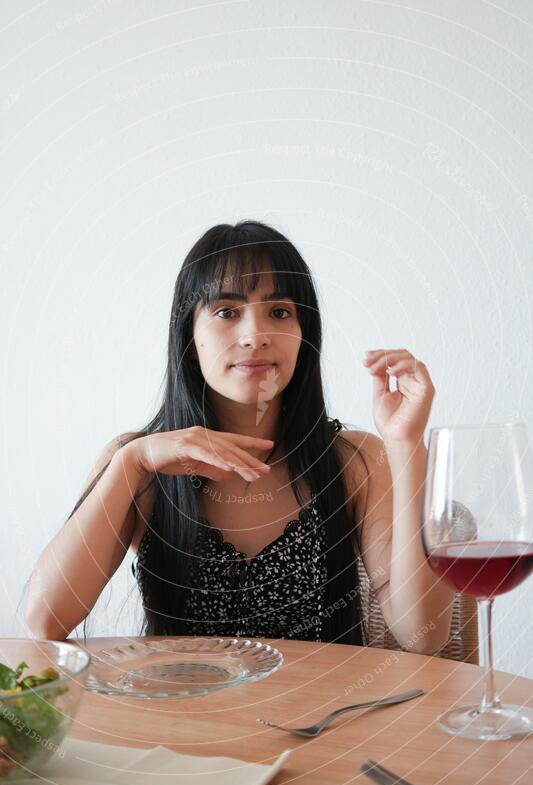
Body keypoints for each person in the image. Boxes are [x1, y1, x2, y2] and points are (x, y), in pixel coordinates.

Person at [25, 220, 454, 650]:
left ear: (304, 334)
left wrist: (404, 444)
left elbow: (425, 637)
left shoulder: (354, 459)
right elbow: (45, 622)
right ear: (189, 335)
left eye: (280, 312)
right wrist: (131, 463)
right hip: (178, 713)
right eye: (226, 312)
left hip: (325, 716)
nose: (255, 336)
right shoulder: (137, 462)